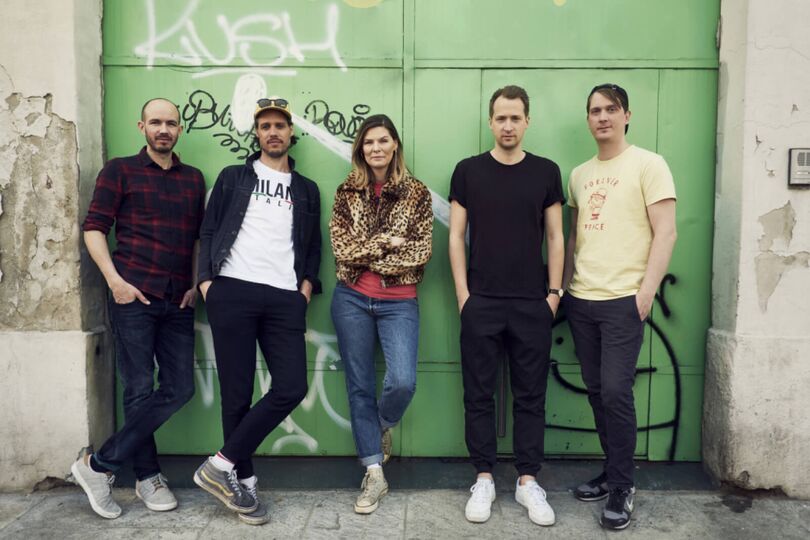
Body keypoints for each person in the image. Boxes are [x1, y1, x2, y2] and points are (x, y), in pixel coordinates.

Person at [73, 98, 205, 519]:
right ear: (141, 126)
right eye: (155, 122)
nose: (163, 129)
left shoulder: (193, 179)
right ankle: (147, 476)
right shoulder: (120, 171)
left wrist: (194, 284)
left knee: (179, 388)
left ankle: (97, 465)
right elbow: (94, 228)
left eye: (171, 123)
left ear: (180, 129)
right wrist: (116, 283)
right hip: (134, 297)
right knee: (139, 389)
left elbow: (197, 238)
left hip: (178, 300)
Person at [193, 97, 322, 526]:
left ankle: (219, 464)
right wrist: (207, 284)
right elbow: (209, 229)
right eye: (265, 126)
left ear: (290, 133)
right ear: (257, 134)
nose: (273, 132)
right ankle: (243, 481)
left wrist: (305, 289)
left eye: (279, 126)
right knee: (236, 394)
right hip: (233, 290)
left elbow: (313, 246)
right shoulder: (233, 178)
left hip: (285, 297)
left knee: (291, 386)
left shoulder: (306, 189)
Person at [448, 85, 564, 526]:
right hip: (481, 302)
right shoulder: (468, 171)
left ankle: (527, 481)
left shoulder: (546, 172)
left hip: (533, 303)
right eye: (501, 118)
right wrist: (463, 295)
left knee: (531, 395)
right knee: (478, 394)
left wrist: (554, 294)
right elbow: (456, 236)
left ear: (527, 121)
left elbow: (555, 236)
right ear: (490, 122)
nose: (508, 125)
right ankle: (483, 477)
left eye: (516, 118)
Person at [563, 83, 677, 531]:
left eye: (611, 109)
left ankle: (623, 485)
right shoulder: (579, 174)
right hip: (582, 299)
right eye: (595, 110)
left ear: (626, 115)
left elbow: (666, 231)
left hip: (623, 301)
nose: (603, 117)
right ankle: (613, 473)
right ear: (587, 119)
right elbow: (574, 237)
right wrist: (563, 288)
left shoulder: (649, 164)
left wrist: (645, 292)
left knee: (615, 392)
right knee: (597, 391)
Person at [329, 114, 433, 514]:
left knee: (403, 381)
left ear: (395, 146)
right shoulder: (346, 192)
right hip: (351, 299)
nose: (376, 148)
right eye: (369, 142)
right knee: (359, 385)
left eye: (383, 140)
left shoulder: (416, 193)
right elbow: (342, 250)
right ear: (361, 148)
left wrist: (369, 251)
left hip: (399, 301)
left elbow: (420, 252)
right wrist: (388, 242)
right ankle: (374, 474)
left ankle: (381, 424)